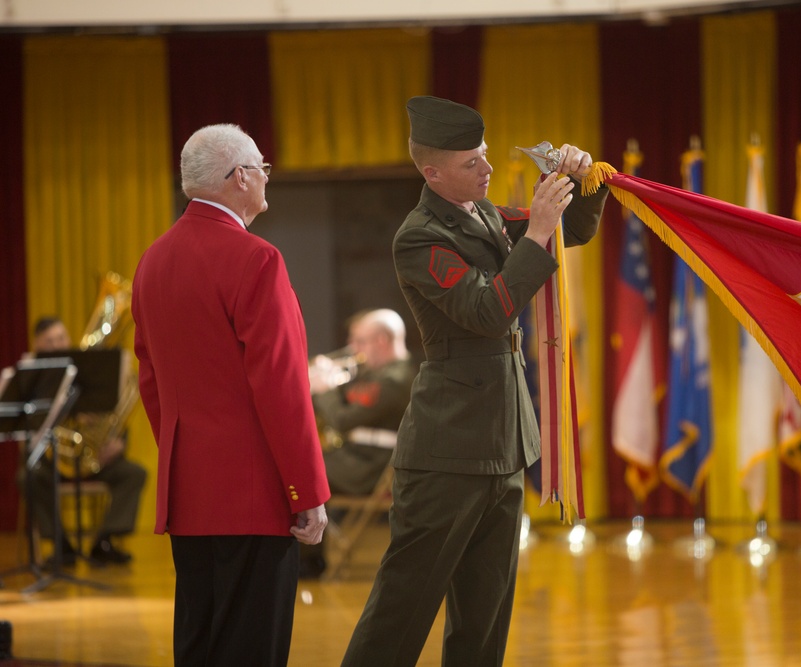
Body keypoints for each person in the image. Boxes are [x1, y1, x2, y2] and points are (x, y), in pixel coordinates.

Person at [341, 96, 608, 665]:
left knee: (484, 619)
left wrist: (581, 184)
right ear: (432, 172)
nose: (487, 169)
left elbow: (568, 235)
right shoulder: (419, 236)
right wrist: (535, 232)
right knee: (401, 613)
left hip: (503, 443)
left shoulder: (482, 214)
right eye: (472, 162)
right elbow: (489, 312)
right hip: (447, 451)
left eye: (485, 156)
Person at [131, 124, 329, 666]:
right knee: (252, 650)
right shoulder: (256, 259)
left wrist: (186, 453)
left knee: (199, 645)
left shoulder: (152, 261)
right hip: (255, 495)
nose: (267, 177)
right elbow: (282, 385)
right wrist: (307, 489)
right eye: (262, 166)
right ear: (240, 177)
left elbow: (151, 381)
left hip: (189, 493)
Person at [300, 307, 417, 578]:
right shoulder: (374, 374)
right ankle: (309, 556)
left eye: (359, 341)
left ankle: (308, 562)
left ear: (381, 341)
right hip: (357, 459)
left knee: (304, 474)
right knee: (300, 469)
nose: (353, 348)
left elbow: (341, 420)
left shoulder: (397, 380)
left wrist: (324, 389)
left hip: (373, 468)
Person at [24, 316, 147, 566]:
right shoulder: (32, 375)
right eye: (50, 341)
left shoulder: (91, 370)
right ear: (37, 345)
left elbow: (115, 413)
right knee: (29, 476)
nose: (58, 345)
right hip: (53, 460)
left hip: (94, 458)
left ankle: (104, 540)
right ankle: (61, 545)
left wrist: (118, 444)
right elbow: (28, 425)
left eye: (61, 338)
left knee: (134, 474)